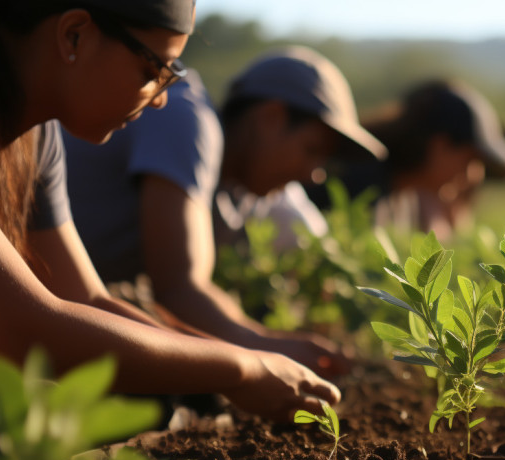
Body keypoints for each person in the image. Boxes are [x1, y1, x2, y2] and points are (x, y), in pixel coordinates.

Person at [0, 0, 339, 424]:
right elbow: (27, 328)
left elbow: (88, 299)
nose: (161, 101)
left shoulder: (37, 135)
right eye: (152, 72)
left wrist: (242, 361)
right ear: (74, 35)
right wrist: (241, 369)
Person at [62, 47, 386, 377]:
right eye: (311, 150)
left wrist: (268, 341)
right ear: (270, 118)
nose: (313, 174)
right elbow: (179, 288)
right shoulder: (187, 120)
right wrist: (267, 352)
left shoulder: (231, 194)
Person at [307, 79, 505, 241]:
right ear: (440, 146)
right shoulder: (357, 185)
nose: (475, 175)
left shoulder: (401, 195)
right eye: (470, 160)